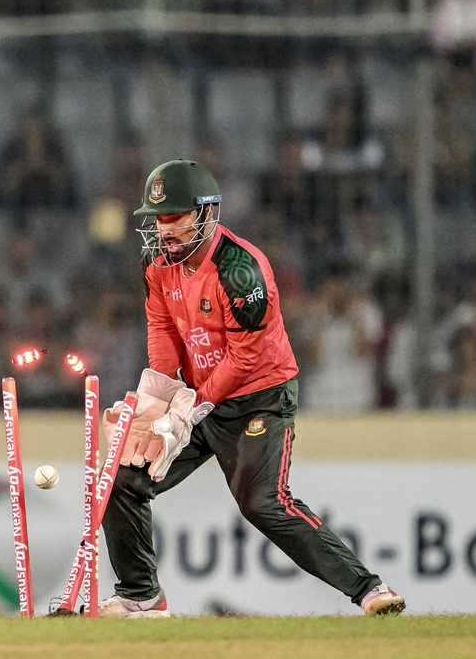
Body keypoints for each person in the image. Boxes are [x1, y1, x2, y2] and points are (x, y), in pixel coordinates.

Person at [98, 159, 405, 617]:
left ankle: (369, 589)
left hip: (259, 397)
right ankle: (141, 596)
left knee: (263, 504)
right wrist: (155, 401)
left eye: (175, 218)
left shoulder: (242, 271)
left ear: (206, 214)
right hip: (200, 398)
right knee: (121, 478)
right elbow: (162, 325)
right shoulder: (157, 261)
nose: (165, 231)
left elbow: (246, 359)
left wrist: (186, 413)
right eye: (158, 220)